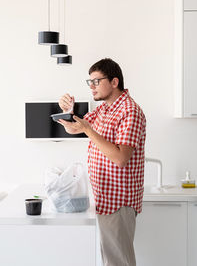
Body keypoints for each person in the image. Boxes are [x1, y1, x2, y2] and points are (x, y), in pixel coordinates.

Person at [58, 58, 146, 266]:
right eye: (89, 82)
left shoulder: (129, 111)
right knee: (111, 260)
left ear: (114, 82)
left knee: (118, 262)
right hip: (105, 198)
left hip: (119, 202)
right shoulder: (105, 109)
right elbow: (74, 128)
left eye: (96, 81)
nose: (92, 87)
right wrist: (68, 112)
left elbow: (120, 158)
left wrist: (89, 130)